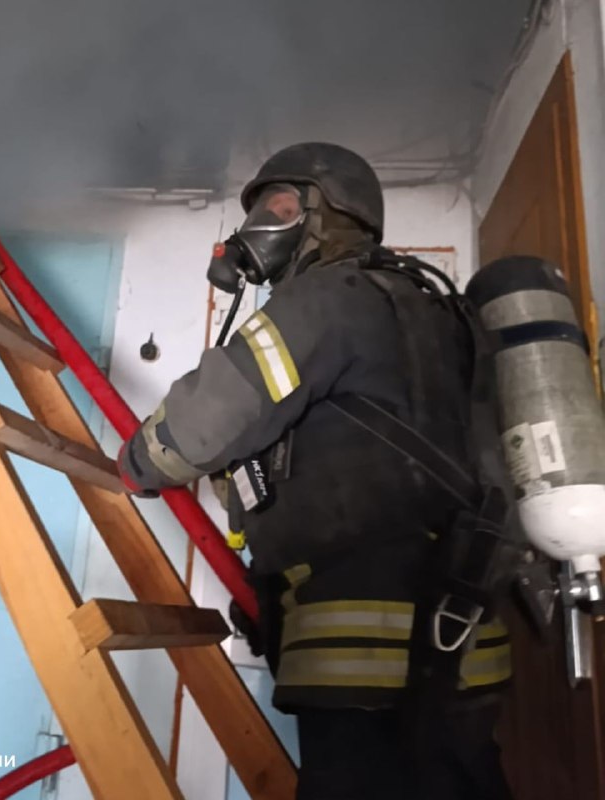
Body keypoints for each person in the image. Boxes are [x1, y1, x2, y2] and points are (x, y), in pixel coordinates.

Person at [117, 142, 514, 800]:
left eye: (279, 207)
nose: (259, 227)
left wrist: (136, 464)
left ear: (332, 214)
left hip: (361, 657)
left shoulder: (325, 298)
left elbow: (204, 423)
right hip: (468, 646)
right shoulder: (442, 315)